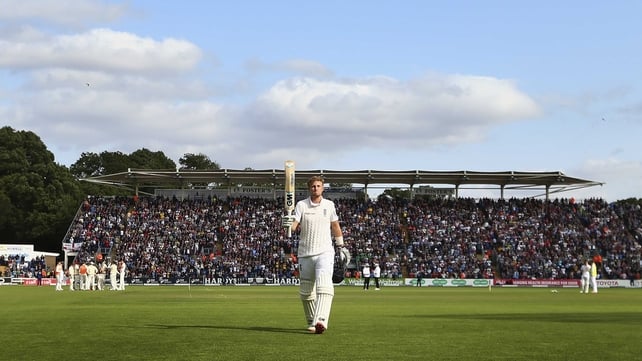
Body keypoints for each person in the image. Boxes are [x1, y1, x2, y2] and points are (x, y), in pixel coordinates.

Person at [281, 176, 346, 334]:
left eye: (318, 186)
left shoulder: (329, 205)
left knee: (324, 285)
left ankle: (321, 320)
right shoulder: (301, 205)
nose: (315, 188)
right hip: (305, 253)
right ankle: (312, 320)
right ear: (309, 189)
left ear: (323, 188)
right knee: (306, 292)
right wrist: (287, 224)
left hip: (325, 251)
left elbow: (335, 226)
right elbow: (294, 228)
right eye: (313, 186)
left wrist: (341, 246)